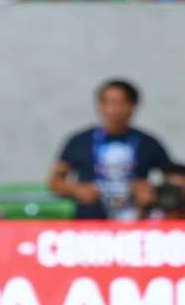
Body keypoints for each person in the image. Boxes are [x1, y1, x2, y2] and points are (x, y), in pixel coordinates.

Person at [48, 79, 172, 220]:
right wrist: (78, 189)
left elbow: (175, 181)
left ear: (132, 106)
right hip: (90, 224)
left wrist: (150, 190)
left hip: (135, 224)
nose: (114, 110)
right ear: (99, 105)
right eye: (107, 103)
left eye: (120, 103)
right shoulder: (79, 141)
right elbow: (54, 182)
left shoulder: (148, 143)